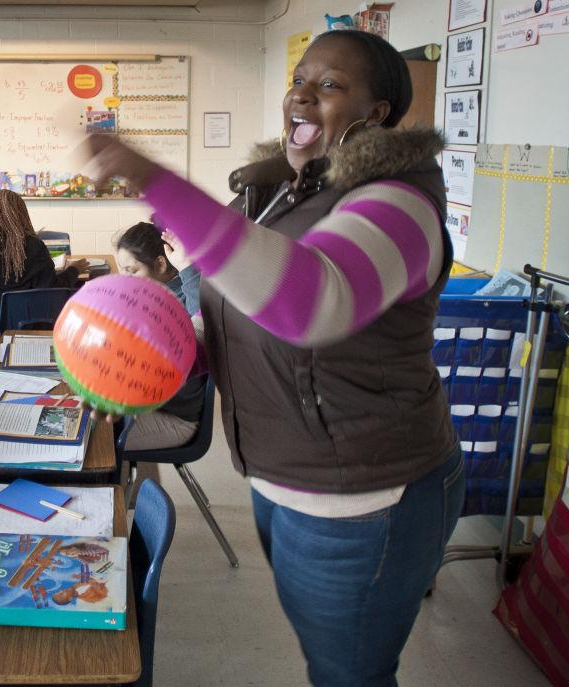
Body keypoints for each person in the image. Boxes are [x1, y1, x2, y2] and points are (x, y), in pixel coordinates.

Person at [86, 30, 463, 685]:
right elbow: (228, 315)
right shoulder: (281, 192)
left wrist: (152, 179)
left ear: (375, 115)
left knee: (348, 675)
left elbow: (308, 303)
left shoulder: (401, 201)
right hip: (282, 476)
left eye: (329, 85)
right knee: (328, 663)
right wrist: (149, 362)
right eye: (299, 78)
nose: (301, 94)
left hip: (366, 497)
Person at [0, 141, 87, 331]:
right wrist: (73, 271)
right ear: (21, 213)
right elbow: (50, 289)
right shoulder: (34, 246)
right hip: (27, 325)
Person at [112, 222, 205, 451]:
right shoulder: (150, 296)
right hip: (145, 403)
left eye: (132, 271)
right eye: (121, 269)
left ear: (161, 264)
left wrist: (187, 269)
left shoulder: (183, 300)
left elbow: (199, 327)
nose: (125, 279)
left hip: (175, 417)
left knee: (95, 442)